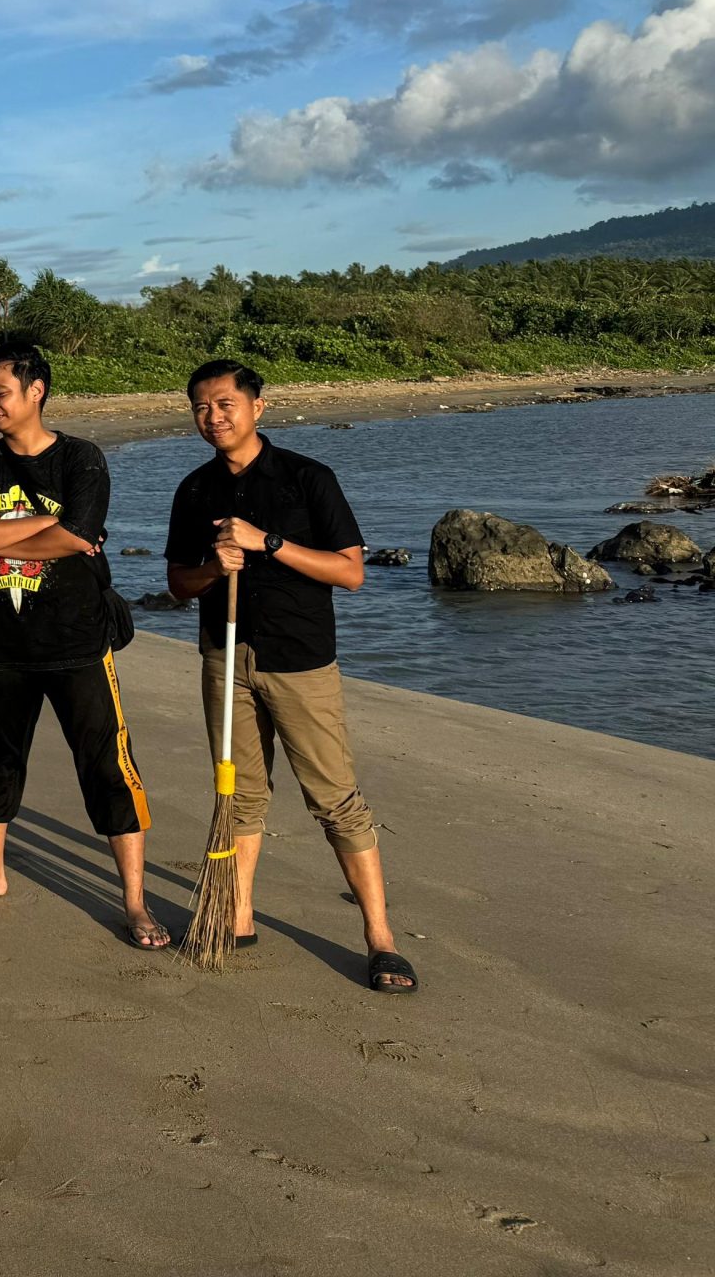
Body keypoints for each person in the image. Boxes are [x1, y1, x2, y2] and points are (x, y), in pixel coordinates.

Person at [164, 359, 417, 992]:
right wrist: (214, 568)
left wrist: (267, 543)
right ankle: (236, 916)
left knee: (335, 800)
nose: (213, 417)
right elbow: (178, 585)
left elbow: (351, 572)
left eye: (225, 404)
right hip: (227, 657)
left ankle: (381, 940)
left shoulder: (309, 478)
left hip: (301, 661)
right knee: (240, 794)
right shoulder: (193, 490)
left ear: (257, 407)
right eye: (201, 407)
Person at [0, 344, 164, 947]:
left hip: (77, 641)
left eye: (0, 393)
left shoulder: (81, 458)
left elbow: (78, 536)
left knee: (107, 766)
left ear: (36, 391)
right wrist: (44, 529)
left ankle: (135, 901)